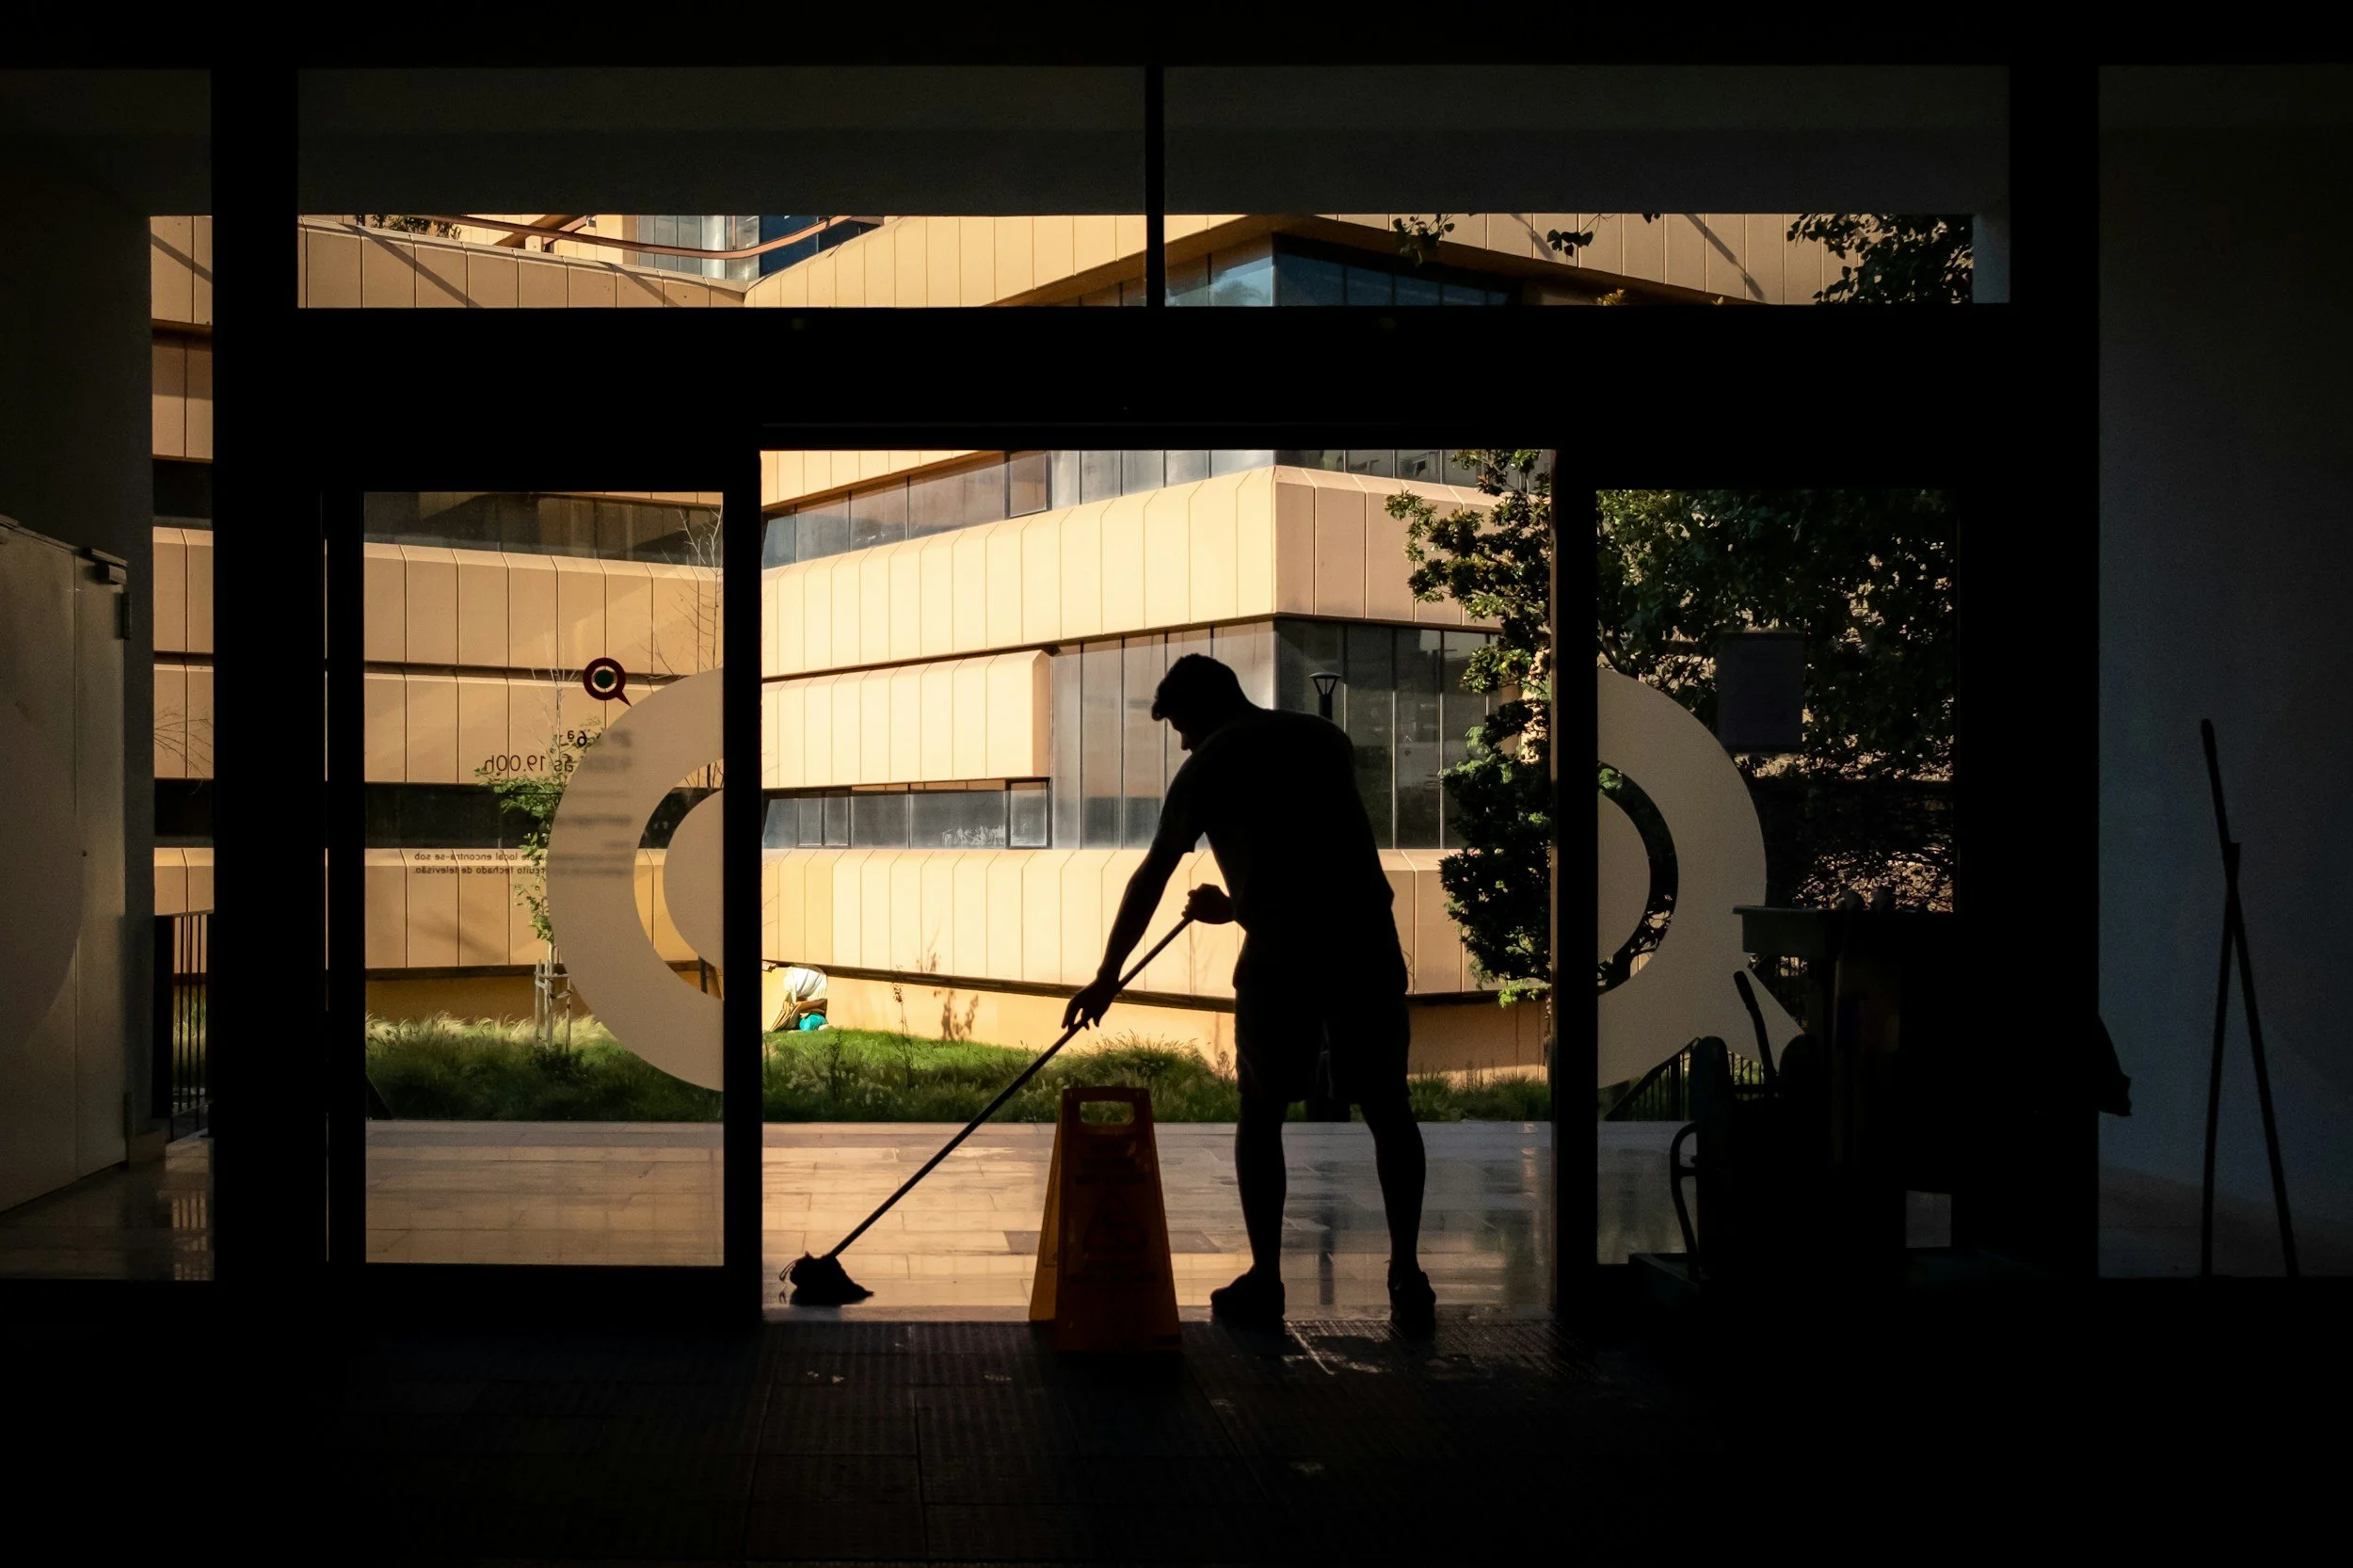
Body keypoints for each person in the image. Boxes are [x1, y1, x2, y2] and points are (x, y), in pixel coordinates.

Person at [1062, 653, 1435, 1335]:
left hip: (1282, 959)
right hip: (1365, 943)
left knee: (1262, 1112)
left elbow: (1153, 873)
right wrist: (1236, 906)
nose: (1179, 740)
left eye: (1178, 724)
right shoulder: (1325, 741)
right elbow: (1317, 861)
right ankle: (1407, 1271)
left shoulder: (1210, 763)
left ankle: (1266, 1278)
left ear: (1201, 709)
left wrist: (1108, 974)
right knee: (1388, 1106)